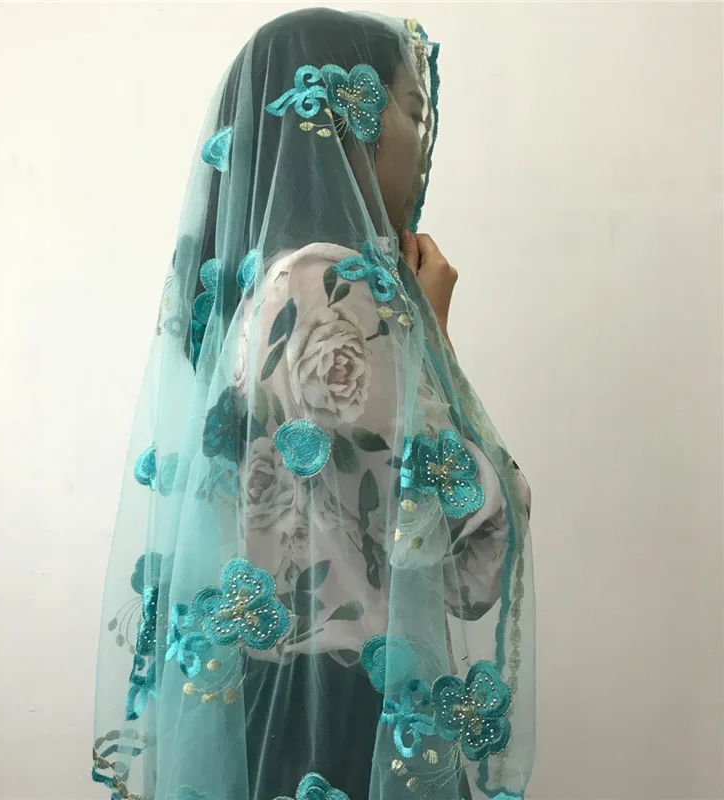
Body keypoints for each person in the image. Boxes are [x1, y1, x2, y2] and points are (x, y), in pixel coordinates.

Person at [91, 9, 535, 800]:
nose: (420, 145)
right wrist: (434, 336)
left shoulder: (263, 292)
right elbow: (471, 525)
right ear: (348, 123)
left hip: (280, 702)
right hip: (347, 716)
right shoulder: (326, 285)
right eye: (411, 112)